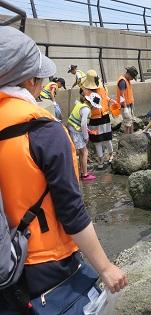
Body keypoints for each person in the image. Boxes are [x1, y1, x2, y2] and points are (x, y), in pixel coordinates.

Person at [0, 26, 127, 314]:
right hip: (44, 262)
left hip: (4, 260)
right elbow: (71, 210)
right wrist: (105, 267)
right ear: (31, 80)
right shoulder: (43, 131)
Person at [82, 69, 116, 169]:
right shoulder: (85, 90)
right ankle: (101, 160)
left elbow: (106, 98)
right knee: (97, 141)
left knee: (107, 138)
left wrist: (111, 101)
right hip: (94, 118)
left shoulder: (102, 87)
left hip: (104, 116)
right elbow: (85, 103)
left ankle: (111, 155)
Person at [67, 91, 101, 181]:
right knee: (85, 152)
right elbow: (83, 124)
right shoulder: (86, 109)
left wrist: (87, 130)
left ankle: (82, 171)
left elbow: (79, 120)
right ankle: (85, 175)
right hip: (75, 130)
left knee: (82, 152)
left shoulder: (81, 104)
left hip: (72, 128)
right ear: (93, 104)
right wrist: (86, 137)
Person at [117, 66, 138, 134]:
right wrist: (125, 108)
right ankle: (126, 139)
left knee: (131, 121)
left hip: (129, 105)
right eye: (132, 77)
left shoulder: (127, 80)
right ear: (128, 74)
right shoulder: (122, 81)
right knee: (127, 124)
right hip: (125, 106)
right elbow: (122, 96)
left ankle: (131, 136)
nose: (132, 79)